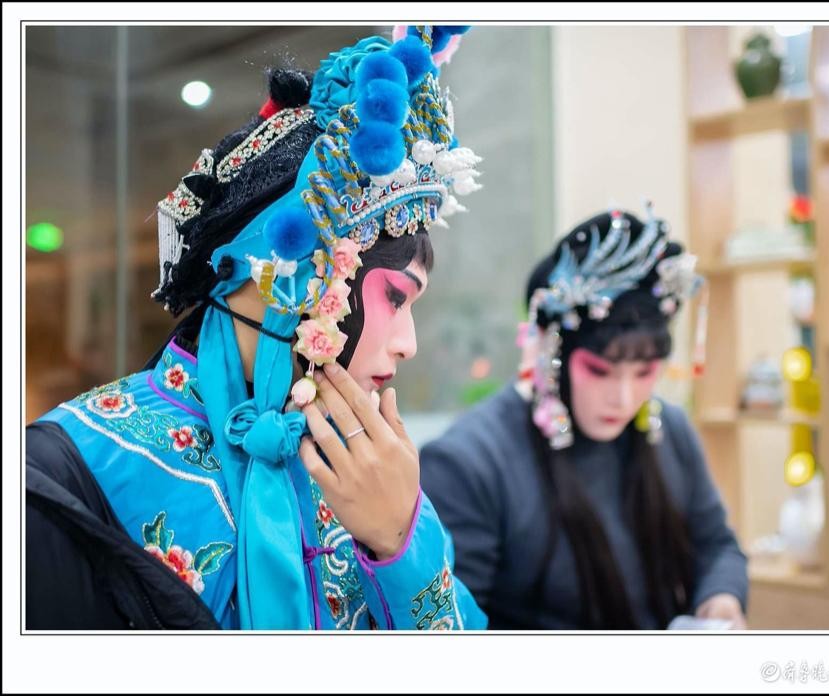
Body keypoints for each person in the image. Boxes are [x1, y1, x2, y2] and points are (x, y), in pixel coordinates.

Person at [26, 25, 488, 631]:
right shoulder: (67, 474)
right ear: (288, 279)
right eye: (396, 298)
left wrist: (401, 543)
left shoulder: (372, 470)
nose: (409, 344)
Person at [420, 206, 749, 630]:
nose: (624, 399)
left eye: (644, 373)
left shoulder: (670, 431)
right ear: (553, 353)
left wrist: (720, 600)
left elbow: (716, 544)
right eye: (599, 371)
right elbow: (454, 628)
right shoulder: (469, 462)